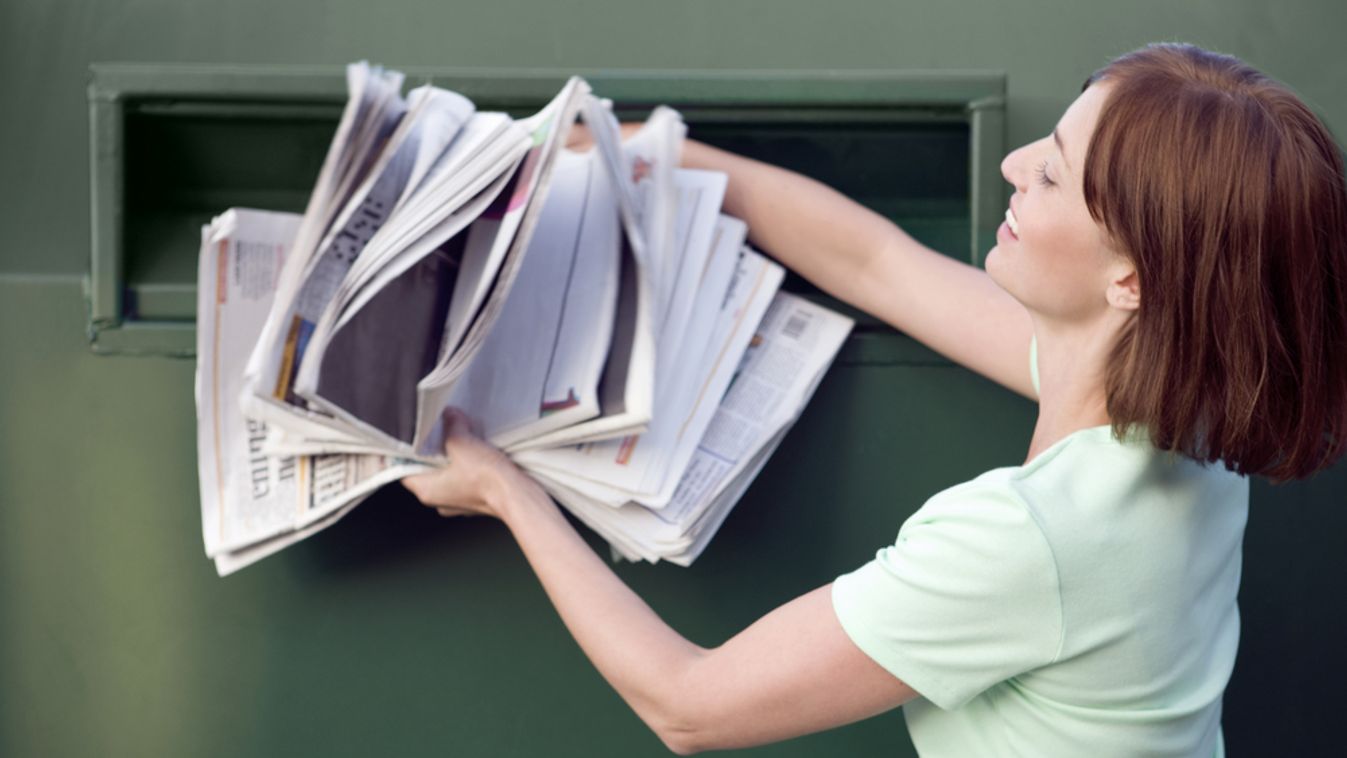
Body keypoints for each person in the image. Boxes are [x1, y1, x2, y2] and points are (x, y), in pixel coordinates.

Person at [402, 42, 1347, 756]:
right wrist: (641, 150)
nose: (1016, 165)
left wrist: (502, 489)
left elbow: (687, 705)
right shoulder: (1190, 413)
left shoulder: (1029, 539)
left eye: (1053, 173)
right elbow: (875, 262)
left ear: (1132, 282)